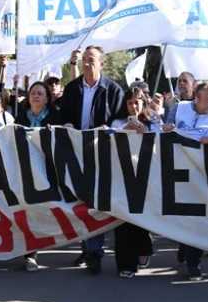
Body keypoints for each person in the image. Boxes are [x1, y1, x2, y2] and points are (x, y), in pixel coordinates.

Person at [56, 45, 125, 275]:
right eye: (84, 59)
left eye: (92, 59)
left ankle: (94, 251)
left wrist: (110, 128)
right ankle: (87, 247)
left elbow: (120, 120)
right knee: (80, 203)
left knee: (97, 203)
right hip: (76, 153)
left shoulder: (113, 90)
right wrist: (67, 125)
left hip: (102, 153)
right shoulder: (72, 88)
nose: (87, 63)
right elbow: (63, 116)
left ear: (101, 64)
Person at [162, 81, 208, 280]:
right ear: (197, 98)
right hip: (178, 172)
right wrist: (166, 129)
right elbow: (164, 132)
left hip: (203, 174)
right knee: (184, 217)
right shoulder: (179, 108)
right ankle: (184, 246)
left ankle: (194, 263)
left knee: (198, 219)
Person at [110, 86, 157, 279]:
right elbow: (108, 143)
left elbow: (160, 146)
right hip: (121, 176)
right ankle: (125, 264)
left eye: (137, 102)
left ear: (143, 103)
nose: (133, 106)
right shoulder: (117, 122)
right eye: (130, 103)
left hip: (145, 177)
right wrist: (123, 131)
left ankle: (144, 249)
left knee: (141, 220)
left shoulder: (153, 122)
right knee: (122, 222)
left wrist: (146, 133)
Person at [12, 81, 59, 272]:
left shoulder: (56, 116)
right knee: (29, 210)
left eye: (40, 93)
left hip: (49, 169)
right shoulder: (20, 117)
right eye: (33, 93)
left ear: (47, 98)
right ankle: (30, 254)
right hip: (26, 170)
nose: (36, 96)